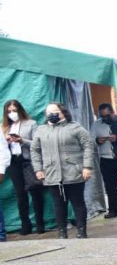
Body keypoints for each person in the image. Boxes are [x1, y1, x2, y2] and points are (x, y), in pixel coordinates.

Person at [30, 102, 95, 239]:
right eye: (49, 113)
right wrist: (38, 169)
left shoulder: (75, 128)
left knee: (77, 202)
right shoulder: (41, 130)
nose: (52, 115)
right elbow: (35, 150)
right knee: (58, 203)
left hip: (74, 171)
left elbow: (88, 146)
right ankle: (62, 232)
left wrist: (87, 167)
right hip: (52, 173)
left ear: (63, 112)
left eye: (55, 112)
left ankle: (82, 231)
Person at [4, 100, 46, 234]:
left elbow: (37, 143)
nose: (12, 114)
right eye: (9, 111)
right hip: (13, 162)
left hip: (28, 161)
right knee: (20, 195)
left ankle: (40, 224)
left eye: (14, 111)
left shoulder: (31, 124)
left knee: (35, 192)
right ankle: (25, 225)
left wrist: (22, 140)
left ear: (20, 110)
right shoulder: (4, 127)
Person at [90, 103, 117, 220]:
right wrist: (98, 140)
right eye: (102, 116)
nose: (105, 119)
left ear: (113, 112)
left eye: (107, 116)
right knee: (110, 187)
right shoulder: (97, 125)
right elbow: (91, 141)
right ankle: (113, 210)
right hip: (106, 159)